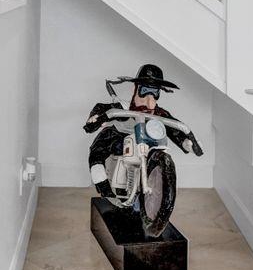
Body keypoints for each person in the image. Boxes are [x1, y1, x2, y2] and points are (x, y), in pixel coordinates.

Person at [83, 63, 203, 198]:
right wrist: (96, 118)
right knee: (97, 153)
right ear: (135, 89)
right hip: (118, 137)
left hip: (145, 141)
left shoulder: (159, 113)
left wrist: (186, 142)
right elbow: (102, 108)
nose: (149, 102)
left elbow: (174, 127)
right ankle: (104, 188)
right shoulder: (123, 108)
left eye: (155, 93)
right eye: (145, 91)